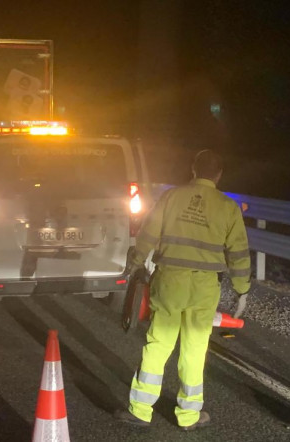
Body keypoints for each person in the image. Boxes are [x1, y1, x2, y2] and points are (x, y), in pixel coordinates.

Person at [115, 150, 251, 431]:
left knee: (159, 342)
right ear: (219, 174)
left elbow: (148, 232)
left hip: (170, 280)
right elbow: (238, 252)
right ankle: (188, 415)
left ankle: (141, 410)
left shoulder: (171, 197)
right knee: (195, 347)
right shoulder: (228, 207)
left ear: (193, 169)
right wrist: (242, 289)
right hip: (204, 286)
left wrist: (136, 262)